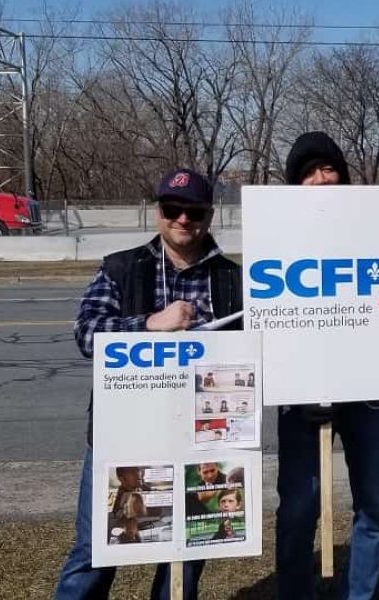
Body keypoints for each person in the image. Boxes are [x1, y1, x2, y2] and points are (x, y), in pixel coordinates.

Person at [55, 167, 242, 600]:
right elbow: (87, 335)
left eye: (192, 210)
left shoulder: (232, 279)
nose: (182, 219)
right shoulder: (122, 268)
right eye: (171, 208)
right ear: (158, 211)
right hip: (121, 436)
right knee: (97, 549)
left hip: (200, 438)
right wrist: (148, 325)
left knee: (187, 546)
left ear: (209, 215)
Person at [275, 131, 379, 599]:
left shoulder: (377, 229)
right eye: (307, 173)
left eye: (328, 169)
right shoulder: (277, 232)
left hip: (369, 389)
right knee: (300, 508)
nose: (320, 179)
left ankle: (359, 594)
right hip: (302, 395)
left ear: (343, 175)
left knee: (372, 508)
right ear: (294, 184)